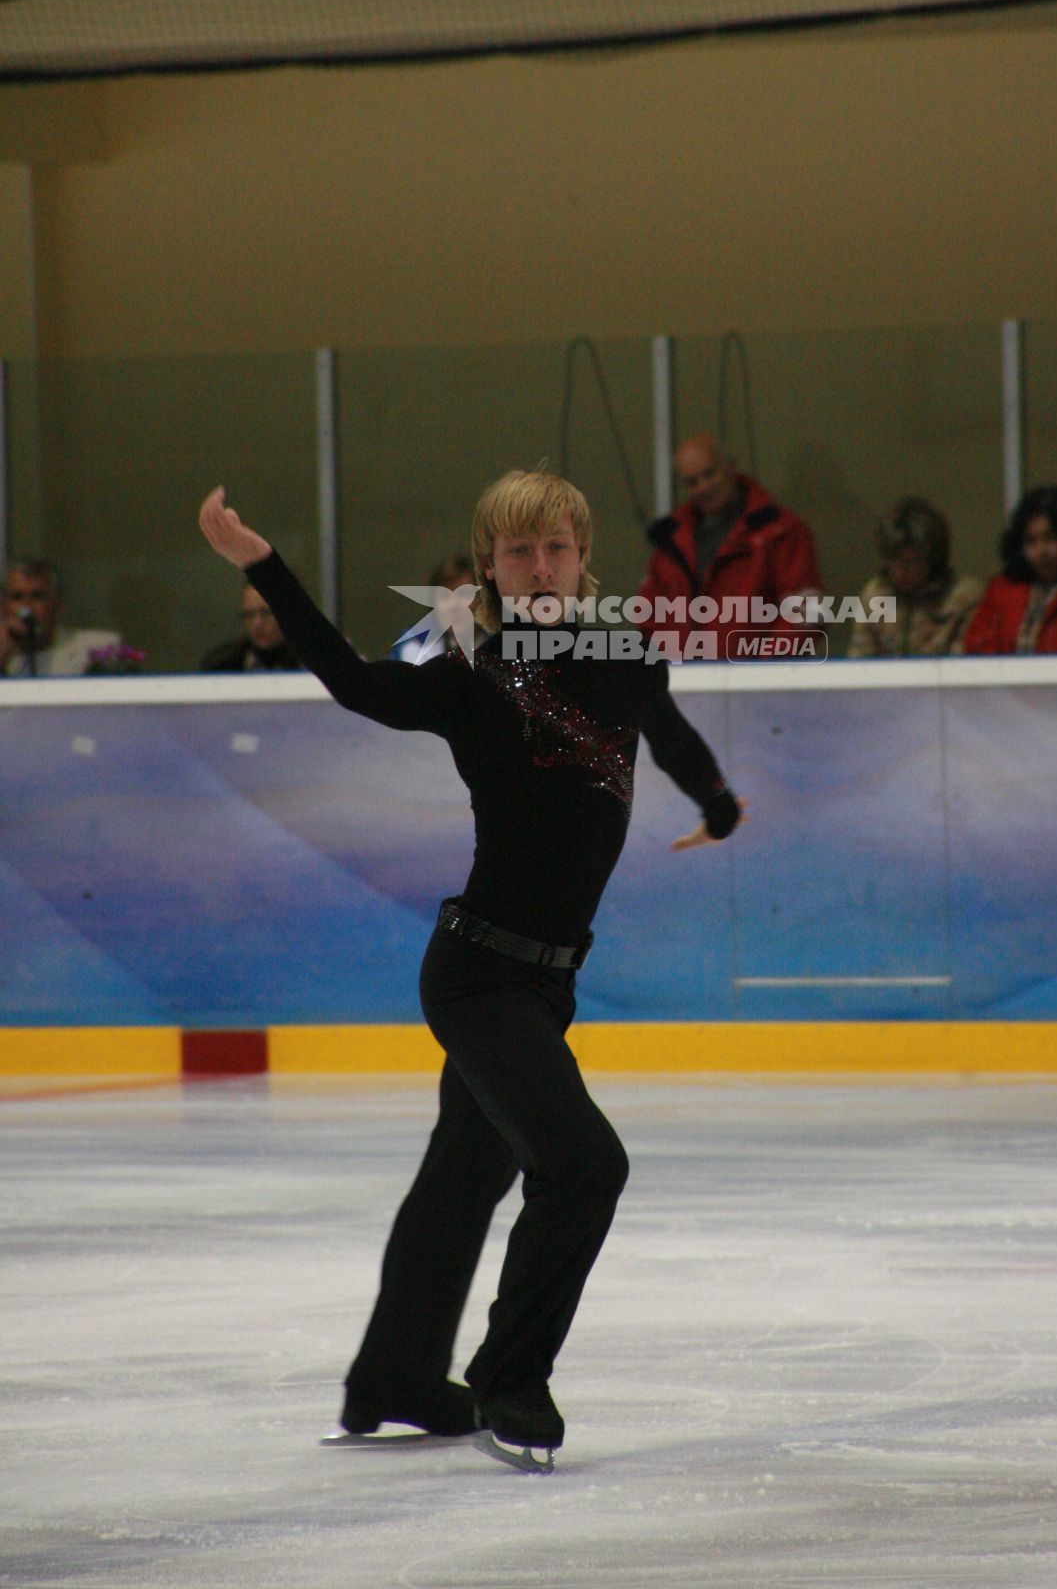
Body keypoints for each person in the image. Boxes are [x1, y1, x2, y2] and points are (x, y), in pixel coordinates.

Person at [198, 469, 742, 1471]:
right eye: (517, 552)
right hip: (478, 976)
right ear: (489, 567)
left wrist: (715, 800)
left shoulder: (622, 659)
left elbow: (665, 733)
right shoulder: (471, 671)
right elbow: (359, 683)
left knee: (462, 1180)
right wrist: (264, 569)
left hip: (546, 983)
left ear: (583, 559)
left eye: (556, 549)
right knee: (584, 1166)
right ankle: (509, 1378)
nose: (539, 568)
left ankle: (397, 1380)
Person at [640, 433, 822, 657]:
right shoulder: (670, 541)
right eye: (692, 482)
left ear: (730, 467)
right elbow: (649, 615)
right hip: (686, 682)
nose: (704, 487)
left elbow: (806, 613)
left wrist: (764, 670)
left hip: (764, 682)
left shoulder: (782, 531)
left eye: (709, 474)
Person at [964, 485, 1057, 655]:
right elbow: (978, 650)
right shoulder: (1002, 592)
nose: (1041, 551)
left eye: (1051, 538)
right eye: (1031, 541)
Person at [848, 497, 981, 657]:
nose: (900, 572)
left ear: (932, 559)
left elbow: (966, 668)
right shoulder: (876, 595)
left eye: (911, 562)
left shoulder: (962, 598)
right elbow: (860, 662)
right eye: (893, 561)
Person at [1, 557, 120, 677]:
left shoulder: (97, 649)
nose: (27, 608)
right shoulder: (4, 656)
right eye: (17, 597)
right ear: (3, 607)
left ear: (58, 606)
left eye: (38, 596)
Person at [200, 582, 304, 672]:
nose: (257, 624)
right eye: (249, 615)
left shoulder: (308, 661)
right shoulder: (225, 663)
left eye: (266, 612)